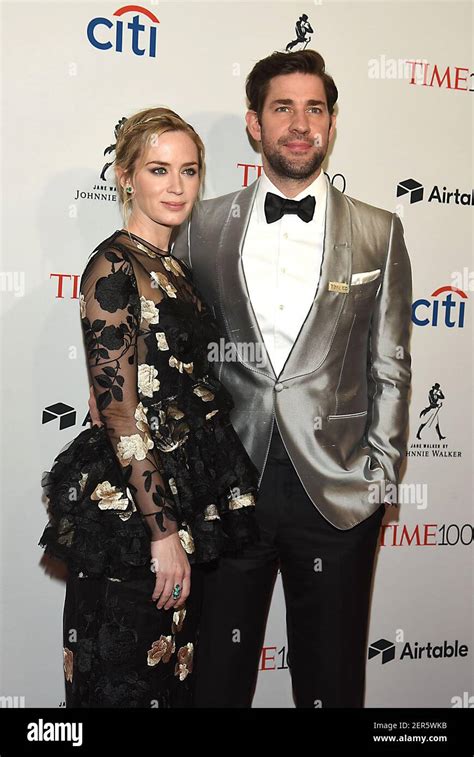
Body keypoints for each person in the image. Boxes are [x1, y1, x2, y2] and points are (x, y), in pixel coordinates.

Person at [170, 49, 413, 708]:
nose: (300, 123)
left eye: (315, 109)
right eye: (284, 108)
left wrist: (379, 478)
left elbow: (389, 362)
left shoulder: (379, 232)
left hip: (336, 495)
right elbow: (179, 358)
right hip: (228, 491)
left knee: (330, 684)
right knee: (215, 683)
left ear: (331, 124)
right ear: (254, 123)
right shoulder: (198, 228)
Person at [39, 107, 260, 708]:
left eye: (189, 171)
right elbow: (117, 413)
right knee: (124, 683)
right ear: (126, 176)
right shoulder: (114, 264)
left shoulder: (174, 268)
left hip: (180, 490)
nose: (176, 186)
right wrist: (161, 532)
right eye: (159, 170)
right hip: (135, 509)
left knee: (171, 682)